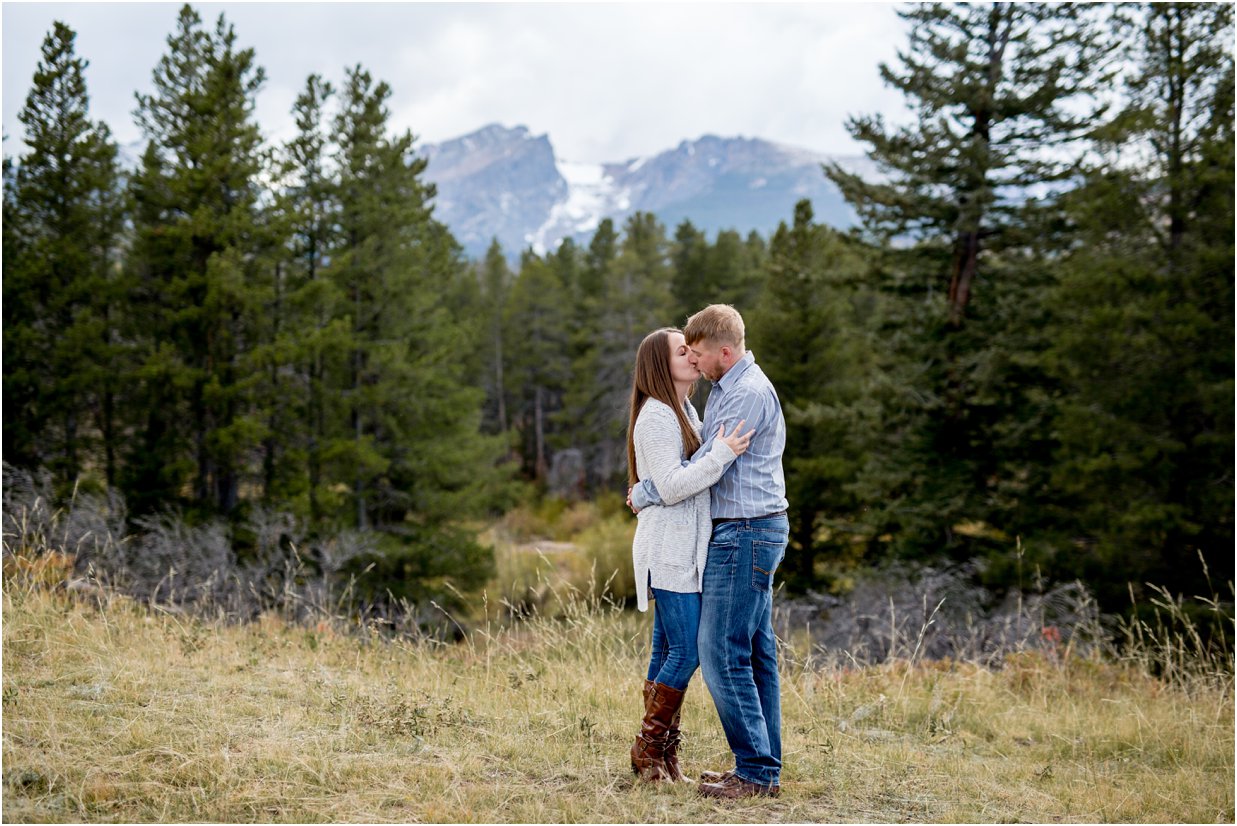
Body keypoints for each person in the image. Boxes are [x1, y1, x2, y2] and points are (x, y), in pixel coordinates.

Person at [629, 304, 789, 800]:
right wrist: (656, 488)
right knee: (739, 653)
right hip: (705, 542)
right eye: (684, 353)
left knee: (719, 654)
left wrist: (649, 490)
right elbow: (691, 470)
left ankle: (753, 770)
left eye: (695, 352)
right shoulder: (684, 407)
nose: (693, 360)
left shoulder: (737, 393)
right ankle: (738, 764)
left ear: (722, 351)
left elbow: (691, 471)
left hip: (743, 533)